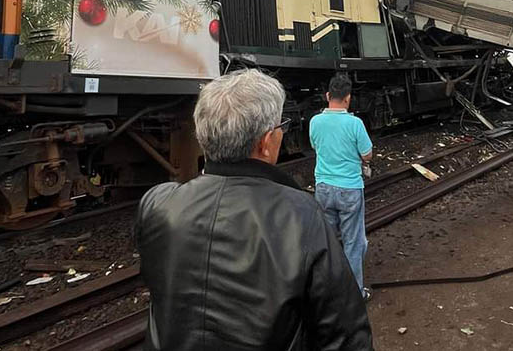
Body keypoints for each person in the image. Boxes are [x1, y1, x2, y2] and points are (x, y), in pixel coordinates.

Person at [135, 69, 373, 351]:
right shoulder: (302, 216)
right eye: (281, 127)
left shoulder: (157, 204)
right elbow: (345, 337)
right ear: (265, 142)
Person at [309, 73, 373, 302]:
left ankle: (327, 292)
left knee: (327, 242)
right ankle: (355, 295)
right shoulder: (355, 124)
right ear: (348, 99)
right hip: (350, 189)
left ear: (328, 96)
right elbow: (367, 155)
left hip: (323, 188)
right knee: (353, 243)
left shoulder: (315, 122)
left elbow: (315, 146)